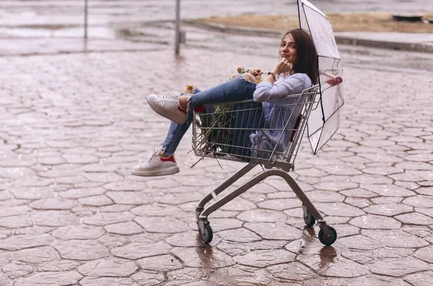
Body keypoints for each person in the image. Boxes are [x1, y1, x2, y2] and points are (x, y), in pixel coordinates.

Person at [132, 28, 318, 177]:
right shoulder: (289, 77)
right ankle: (166, 155)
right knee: (197, 91)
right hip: (247, 134)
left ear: (303, 52)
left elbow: (260, 96)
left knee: (245, 83)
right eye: (283, 44)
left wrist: (270, 75)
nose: (284, 49)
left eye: (292, 46)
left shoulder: (300, 79)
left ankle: (184, 103)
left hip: (258, 145)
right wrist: (261, 80)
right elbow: (266, 99)